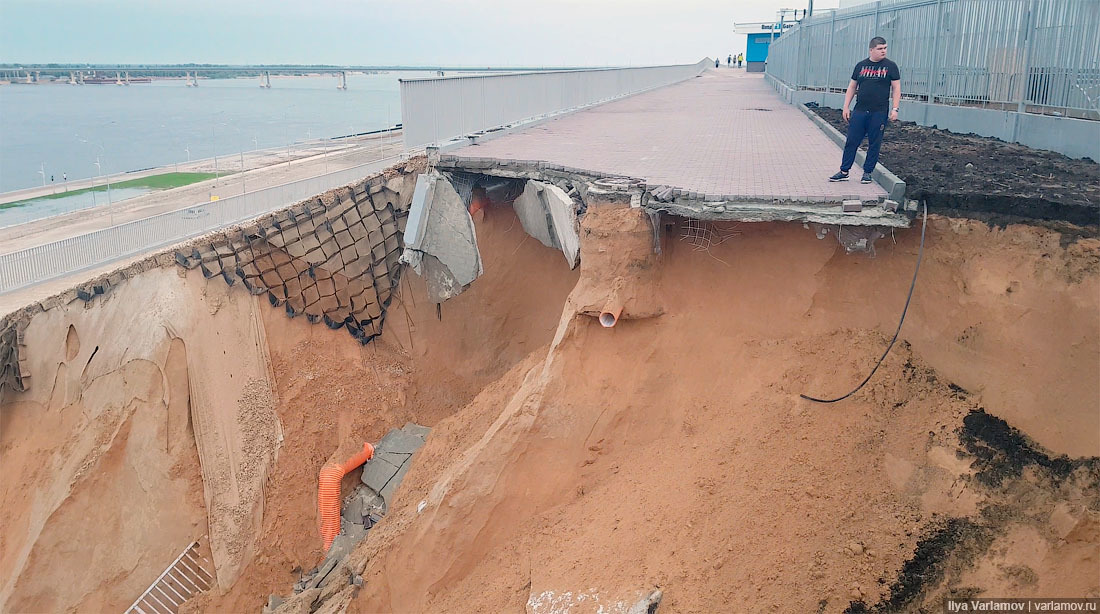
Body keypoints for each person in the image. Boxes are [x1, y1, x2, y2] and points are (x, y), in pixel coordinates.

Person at [829, 36, 900, 184]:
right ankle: (844, 171)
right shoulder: (861, 66)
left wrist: (895, 108)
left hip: (879, 112)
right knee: (851, 141)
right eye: (880, 49)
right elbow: (852, 86)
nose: (883, 51)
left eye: (885, 48)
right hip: (860, 110)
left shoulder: (891, 66)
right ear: (871, 50)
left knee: (874, 143)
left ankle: (867, 172)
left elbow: (896, 88)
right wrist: (846, 106)